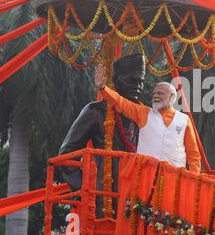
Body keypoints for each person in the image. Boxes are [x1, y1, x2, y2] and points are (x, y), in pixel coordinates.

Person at [59, 54, 146, 216]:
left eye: (140, 81)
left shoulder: (146, 116)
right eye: (131, 79)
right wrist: (83, 191)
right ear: (116, 80)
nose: (137, 85)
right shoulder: (95, 111)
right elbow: (66, 156)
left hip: (140, 200)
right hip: (106, 200)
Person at [95, 65, 201, 173]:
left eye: (160, 93)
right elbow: (121, 102)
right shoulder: (144, 113)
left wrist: (194, 178)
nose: (155, 96)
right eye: (154, 93)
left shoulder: (184, 120)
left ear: (172, 97)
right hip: (146, 177)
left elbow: (193, 154)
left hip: (174, 180)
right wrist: (103, 88)